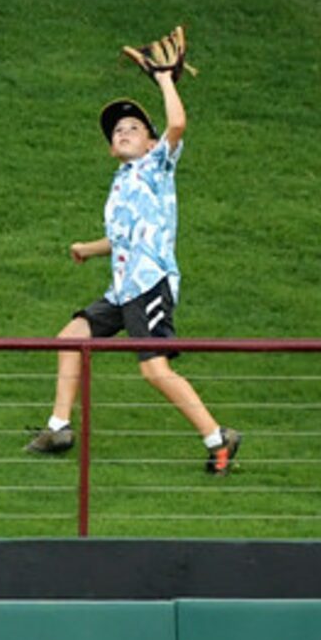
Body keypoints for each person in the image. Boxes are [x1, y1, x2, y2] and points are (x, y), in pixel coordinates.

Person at [25, 25, 241, 473]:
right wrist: (89, 247)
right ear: (110, 149)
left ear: (149, 140)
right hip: (123, 289)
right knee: (70, 338)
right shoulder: (121, 183)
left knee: (154, 370)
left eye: (133, 127)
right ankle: (59, 426)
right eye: (117, 131)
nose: (123, 132)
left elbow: (178, 124)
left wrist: (164, 78)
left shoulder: (157, 165)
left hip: (150, 286)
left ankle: (219, 439)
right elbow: (125, 239)